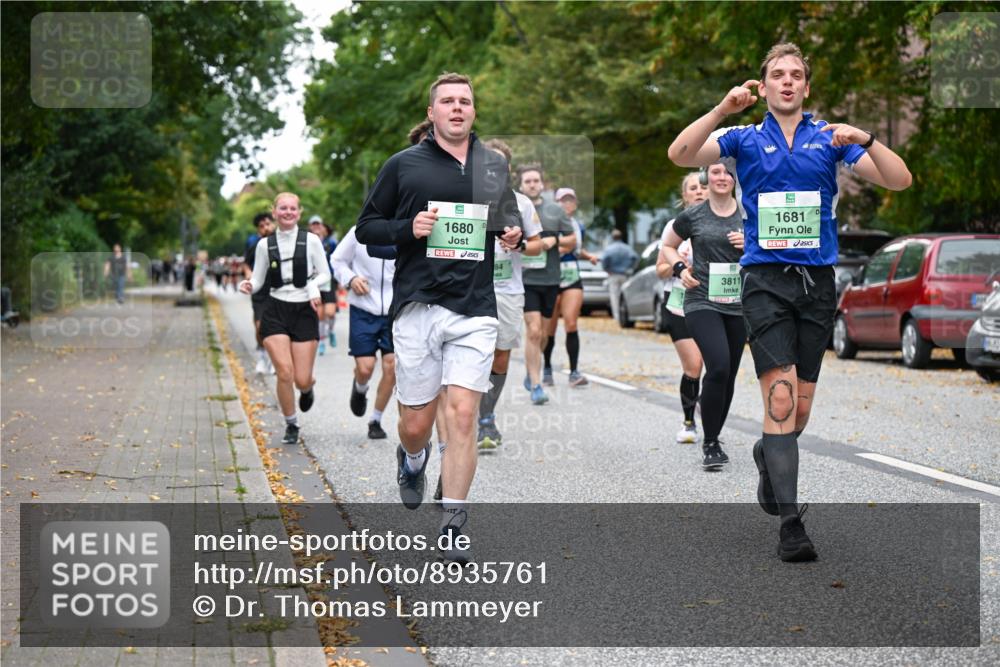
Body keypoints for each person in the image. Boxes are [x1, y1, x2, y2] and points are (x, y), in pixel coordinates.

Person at [668, 42, 911, 561]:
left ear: (806, 86)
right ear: (765, 85)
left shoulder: (830, 140)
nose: (786, 82)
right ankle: (791, 524)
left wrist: (863, 136)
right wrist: (720, 109)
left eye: (795, 75)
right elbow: (681, 155)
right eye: (776, 74)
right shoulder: (743, 140)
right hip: (762, 282)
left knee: (797, 413)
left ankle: (767, 453)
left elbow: (900, 179)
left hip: (817, 284)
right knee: (779, 400)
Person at [355, 72, 522, 565]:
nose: (456, 108)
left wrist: (512, 236)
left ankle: (454, 520)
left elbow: (508, 221)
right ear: (431, 113)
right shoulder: (402, 165)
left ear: (474, 111)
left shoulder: (492, 166)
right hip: (417, 308)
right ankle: (412, 460)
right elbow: (368, 229)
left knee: (464, 415)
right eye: (446, 101)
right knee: (416, 424)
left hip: (473, 307)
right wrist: (410, 227)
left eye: (464, 101)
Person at [662, 163, 745, 470]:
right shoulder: (693, 216)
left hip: (739, 304)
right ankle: (710, 443)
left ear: (736, 178)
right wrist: (680, 269)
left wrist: (752, 245)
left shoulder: (750, 212)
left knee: (728, 375)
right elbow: (668, 246)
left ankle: (714, 433)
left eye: (727, 173)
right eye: (716, 172)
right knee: (718, 365)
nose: (722, 178)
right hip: (701, 301)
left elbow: (774, 249)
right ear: (706, 179)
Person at [240, 192, 331, 446]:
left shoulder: (311, 241)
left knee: (301, 378)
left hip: (303, 310)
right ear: (274, 212)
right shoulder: (264, 245)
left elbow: (325, 274)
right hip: (276, 308)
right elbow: (258, 279)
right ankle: (291, 423)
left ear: (299, 212)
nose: (288, 212)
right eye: (283, 208)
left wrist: (313, 286)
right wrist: (249, 284)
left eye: (292, 208)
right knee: (284, 372)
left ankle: (306, 388)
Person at [475, 138, 544, 451]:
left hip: (508, 290)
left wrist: (519, 244)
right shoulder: (469, 198)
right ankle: (471, 416)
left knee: (501, 354)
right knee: (476, 354)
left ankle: (486, 414)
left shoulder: (521, 203)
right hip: (472, 288)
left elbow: (538, 244)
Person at [656, 173, 709, 443]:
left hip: (713, 302)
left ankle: (709, 412)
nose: (699, 191)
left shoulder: (723, 223)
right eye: (692, 188)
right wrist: (679, 265)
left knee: (717, 365)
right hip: (678, 303)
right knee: (693, 365)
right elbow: (659, 270)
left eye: (703, 186)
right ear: (684, 196)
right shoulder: (674, 226)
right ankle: (689, 423)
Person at [332, 225, 397, 440]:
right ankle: (360, 387)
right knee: (365, 367)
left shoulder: (406, 228)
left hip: (395, 309)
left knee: (392, 366)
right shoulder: (358, 231)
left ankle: (375, 420)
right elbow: (337, 260)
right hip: (363, 308)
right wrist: (351, 279)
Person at [519, 165, 576, 405]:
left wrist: (556, 240)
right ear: (521, 185)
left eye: (535, 181)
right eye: (527, 181)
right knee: (533, 331)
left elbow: (572, 240)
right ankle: (536, 384)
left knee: (543, 334)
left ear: (542, 184)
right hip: (525, 279)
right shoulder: (516, 208)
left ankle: (531, 369)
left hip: (551, 279)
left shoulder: (555, 210)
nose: (532, 184)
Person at [542, 187, 598, 387]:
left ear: (575, 204)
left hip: (571, 275)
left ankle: (574, 372)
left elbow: (574, 249)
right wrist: (563, 246)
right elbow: (546, 247)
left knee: (571, 323)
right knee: (549, 327)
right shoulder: (547, 223)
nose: (567, 204)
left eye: (570, 201)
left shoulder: (578, 226)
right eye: (562, 201)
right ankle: (547, 368)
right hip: (550, 277)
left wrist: (588, 256)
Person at [244, 212, 276, 375]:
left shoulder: (282, 241)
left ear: (274, 224)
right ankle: (262, 357)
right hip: (260, 291)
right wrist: (249, 274)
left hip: (278, 289)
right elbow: (246, 264)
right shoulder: (255, 244)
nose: (266, 228)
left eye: (268, 224)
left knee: (277, 328)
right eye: (262, 226)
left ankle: (274, 360)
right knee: (260, 327)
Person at [308, 215, 338, 355]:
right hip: (314, 281)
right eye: (313, 225)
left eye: (318, 224)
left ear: (322, 227)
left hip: (327, 281)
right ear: (309, 226)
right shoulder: (306, 242)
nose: (316, 227)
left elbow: (338, 260)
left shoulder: (330, 243)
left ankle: (331, 331)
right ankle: (322, 341)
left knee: (330, 313)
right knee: (319, 315)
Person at [602, 230, 639, 323]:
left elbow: (605, 260)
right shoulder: (627, 248)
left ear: (612, 237)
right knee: (625, 295)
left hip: (613, 275)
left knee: (614, 296)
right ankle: (625, 315)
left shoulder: (609, 249)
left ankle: (617, 317)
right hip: (625, 275)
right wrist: (630, 268)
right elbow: (635, 257)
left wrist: (607, 269)